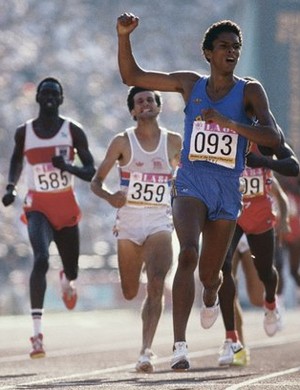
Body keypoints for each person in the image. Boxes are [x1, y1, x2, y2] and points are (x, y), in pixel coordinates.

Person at [116, 13, 281, 370]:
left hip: (227, 186)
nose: (231, 52)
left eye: (236, 47)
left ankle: (209, 293)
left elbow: (275, 139)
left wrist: (230, 124)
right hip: (191, 179)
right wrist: (123, 36)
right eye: (224, 46)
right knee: (187, 252)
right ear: (207, 53)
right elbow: (133, 77)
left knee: (211, 276)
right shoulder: (191, 84)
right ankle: (179, 347)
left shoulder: (250, 90)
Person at [2, 77, 95, 359]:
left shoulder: (73, 131)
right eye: (45, 93)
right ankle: (37, 334)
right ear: (38, 98)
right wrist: (10, 187)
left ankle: (68, 278)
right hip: (38, 205)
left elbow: (90, 171)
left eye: (55, 93)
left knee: (73, 269)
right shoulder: (24, 132)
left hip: (65, 206)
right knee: (40, 258)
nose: (50, 97)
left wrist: (67, 166)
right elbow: (17, 160)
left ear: (62, 99)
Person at [91, 86, 182, 373]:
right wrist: (110, 197)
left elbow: (184, 175)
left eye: (150, 100)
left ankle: (146, 351)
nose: (145, 104)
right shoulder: (122, 142)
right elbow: (96, 182)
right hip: (129, 223)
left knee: (156, 283)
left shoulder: (173, 142)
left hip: (159, 221)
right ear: (132, 110)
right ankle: (145, 344)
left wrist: (180, 186)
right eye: (139, 101)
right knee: (130, 291)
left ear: (159, 106)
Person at [218, 137, 298, 367]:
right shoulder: (226, 147)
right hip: (233, 221)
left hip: (259, 221)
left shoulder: (262, 145)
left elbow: (280, 195)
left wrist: (283, 223)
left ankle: (271, 304)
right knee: (224, 277)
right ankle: (233, 340)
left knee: (256, 295)